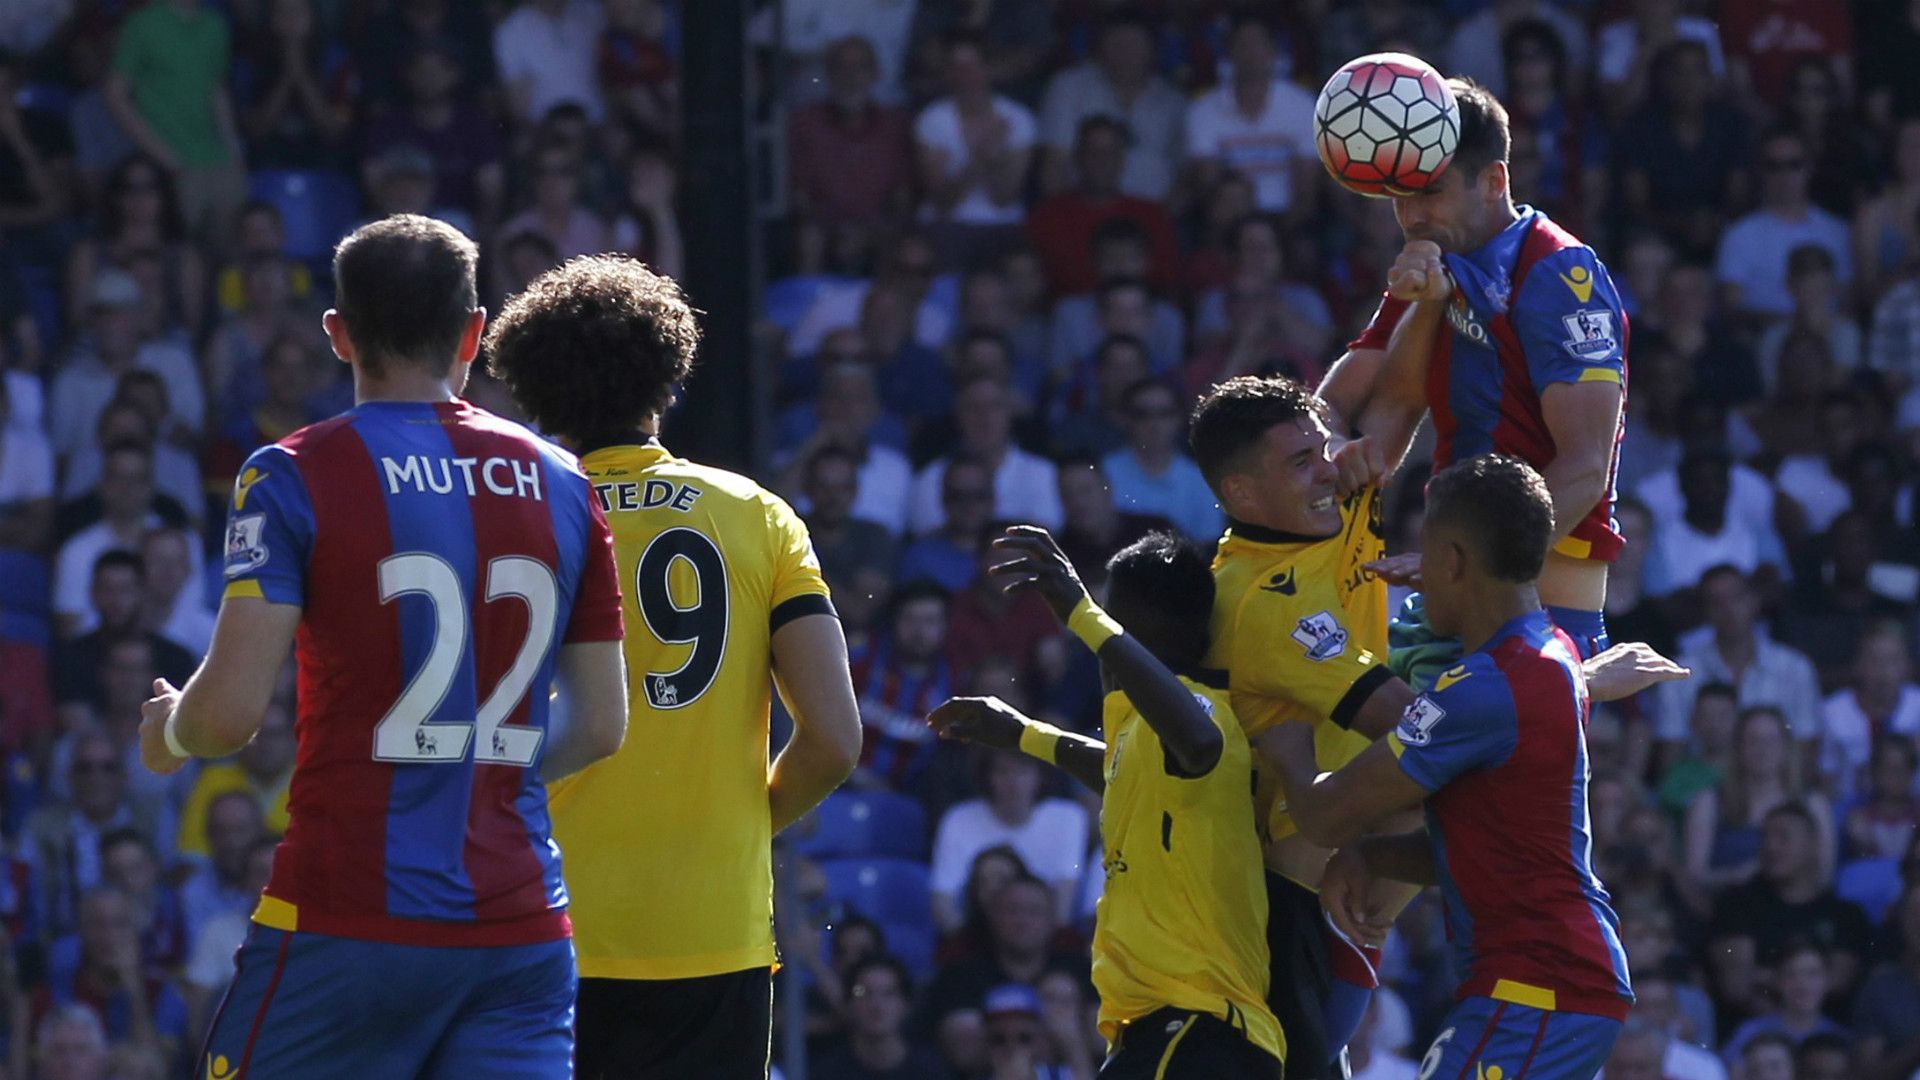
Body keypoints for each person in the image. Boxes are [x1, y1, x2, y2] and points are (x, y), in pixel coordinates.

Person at [135, 215, 631, 1077]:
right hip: (516, 933)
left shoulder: (291, 472)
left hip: (347, 921)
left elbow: (229, 718)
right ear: (475, 332)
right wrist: (472, 767)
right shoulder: (565, 482)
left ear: (337, 334)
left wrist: (172, 729)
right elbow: (599, 724)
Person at [484, 252, 863, 1079]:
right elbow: (834, 740)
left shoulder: (514, 519)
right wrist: (736, 823)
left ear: (536, 392)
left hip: (544, 918)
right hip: (711, 925)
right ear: (668, 374)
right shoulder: (756, 514)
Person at [1272, 455, 1636, 1079]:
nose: (1418, 577)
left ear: (1455, 561)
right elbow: (1488, 847)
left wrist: (1280, 724)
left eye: (1426, 553)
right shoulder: (1549, 651)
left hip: (1540, 986)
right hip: (1552, 982)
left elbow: (1326, 817)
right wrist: (1377, 858)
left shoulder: (1483, 689)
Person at [929, 526, 1286, 1076]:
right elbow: (1119, 775)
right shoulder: (1140, 730)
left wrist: (1083, 615)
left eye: (1110, 618)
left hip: (1199, 1026)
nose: (1093, 640)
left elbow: (1200, 743)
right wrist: (1024, 734)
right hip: (1163, 1030)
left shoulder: (1202, 710)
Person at [1328, 78, 1629, 691]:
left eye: (1430, 193)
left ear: (1493, 181)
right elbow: (1349, 407)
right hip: (1453, 591)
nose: (1411, 216)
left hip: (1538, 609)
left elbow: (1584, 467)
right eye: (1399, 196)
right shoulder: (1434, 261)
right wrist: (1328, 452)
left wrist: (1470, 569)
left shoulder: (1557, 275)